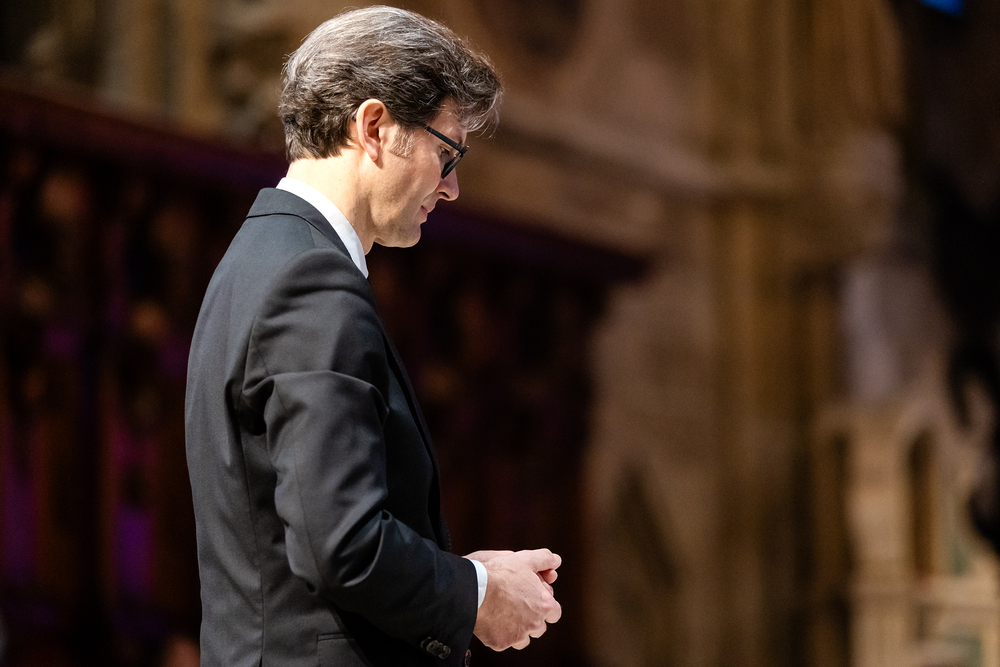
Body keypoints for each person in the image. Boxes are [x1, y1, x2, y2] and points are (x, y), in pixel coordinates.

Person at [184, 6, 562, 667]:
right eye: (447, 153)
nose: (452, 187)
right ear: (375, 127)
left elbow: (311, 531)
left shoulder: (260, 258)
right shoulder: (309, 280)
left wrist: (467, 575)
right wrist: (477, 595)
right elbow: (341, 544)